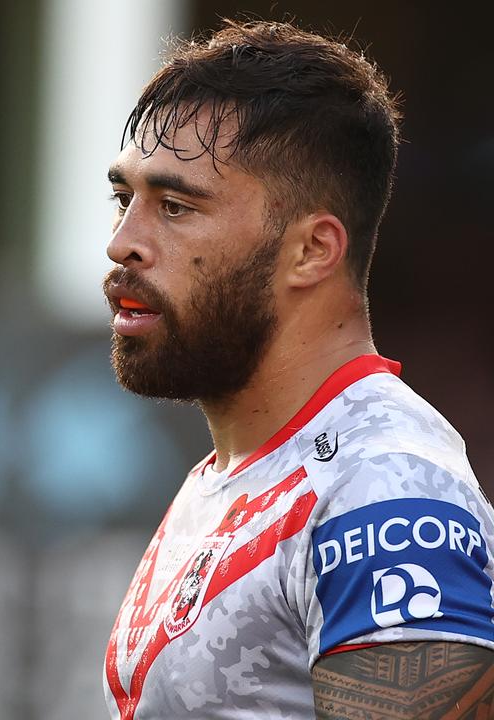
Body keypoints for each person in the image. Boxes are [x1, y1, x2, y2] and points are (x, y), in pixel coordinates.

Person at [101, 20, 494, 719]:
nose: (122, 243)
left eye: (176, 206)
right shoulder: (237, 471)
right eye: (122, 200)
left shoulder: (385, 487)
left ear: (312, 251)